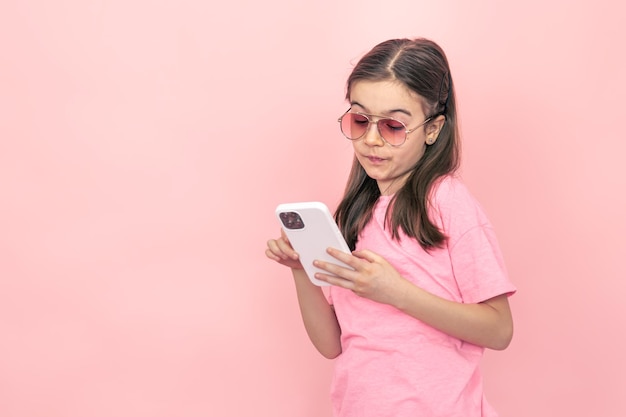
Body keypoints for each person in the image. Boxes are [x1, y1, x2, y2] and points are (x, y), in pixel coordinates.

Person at [265, 37, 516, 417]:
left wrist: (396, 291)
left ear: (433, 129)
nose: (371, 139)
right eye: (360, 120)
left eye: (394, 126)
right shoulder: (353, 215)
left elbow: (499, 330)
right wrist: (302, 271)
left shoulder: (446, 201)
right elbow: (333, 344)